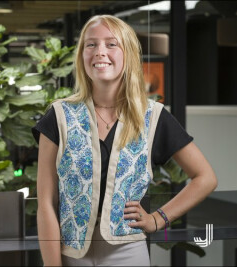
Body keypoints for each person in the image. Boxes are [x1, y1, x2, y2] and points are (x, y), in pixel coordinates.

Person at [32, 14, 217, 266]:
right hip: (70, 253)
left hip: (128, 253)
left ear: (127, 53)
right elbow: (46, 203)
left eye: (111, 44)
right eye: (91, 44)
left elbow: (205, 178)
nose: (100, 52)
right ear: (82, 55)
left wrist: (158, 218)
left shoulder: (153, 116)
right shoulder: (59, 116)